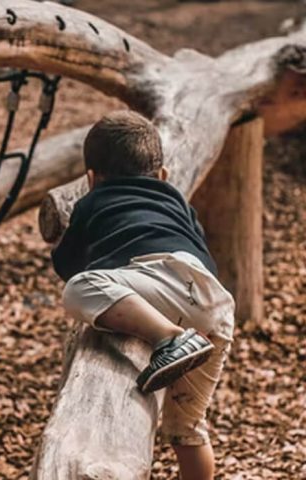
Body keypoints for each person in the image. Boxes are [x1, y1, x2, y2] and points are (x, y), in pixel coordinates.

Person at [52, 110, 235, 480]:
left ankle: (170, 338)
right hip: (212, 302)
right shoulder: (178, 203)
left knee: (79, 289)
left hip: (162, 284)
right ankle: (182, 338)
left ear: (91, 179)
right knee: (187, 429)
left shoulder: (92, 202)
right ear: (163, 175)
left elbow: (67, 265)